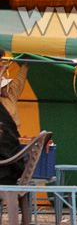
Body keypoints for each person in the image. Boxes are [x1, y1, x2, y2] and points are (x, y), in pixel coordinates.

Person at [0, 49, 22, 185]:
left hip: (7, 170)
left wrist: (24, 65)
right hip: (9, 168)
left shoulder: (10, 99)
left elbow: (19, 84)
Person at [0, 57, 28, 128]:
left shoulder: (10, 95)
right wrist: (2, 71)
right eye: (4, 87)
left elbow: (19, 82)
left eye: (7, 86)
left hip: (14, 131)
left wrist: (25, 64)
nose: (7, 88)